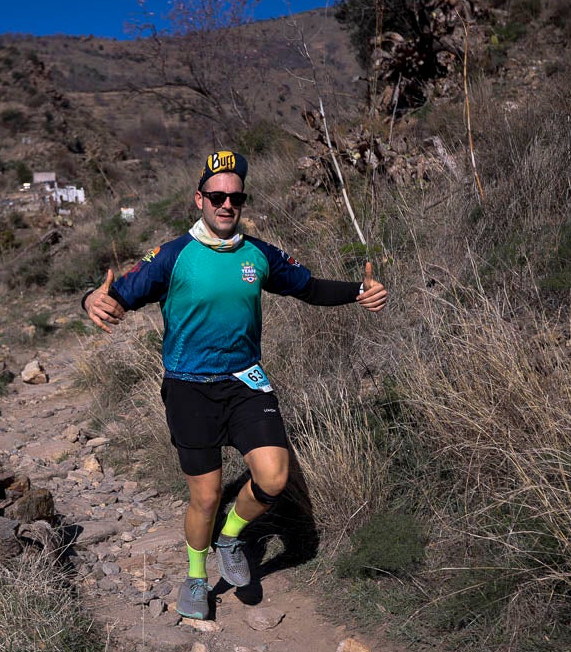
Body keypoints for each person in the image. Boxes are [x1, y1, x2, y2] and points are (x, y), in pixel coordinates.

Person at [82, 150, 387, 619]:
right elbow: (117, 295)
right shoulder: (171, 256)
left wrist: (357, 292)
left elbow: (307, 288)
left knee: (273, 476)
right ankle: (196, 576)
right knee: (204, 496)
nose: (227, 204)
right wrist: (91, 300)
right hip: (189, 389)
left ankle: (230, 537)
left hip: (246, 382)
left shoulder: (258, 255)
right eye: (217, 196)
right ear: (199, 199)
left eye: (235, 197)